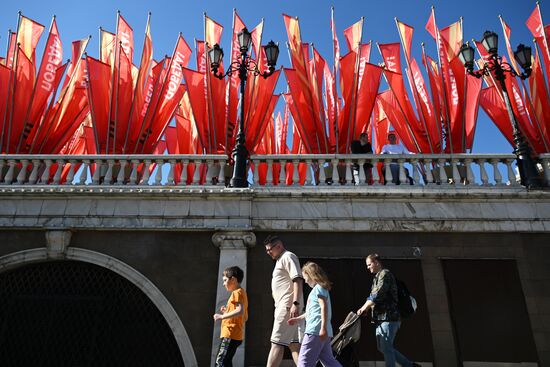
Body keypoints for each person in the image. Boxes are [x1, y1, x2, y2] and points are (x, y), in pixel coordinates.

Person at [357, 254, 420, 367]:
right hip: (381, 318)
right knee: (383, 347)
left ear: (377, 262)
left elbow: (377, 295)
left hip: (389, 317)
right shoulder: (377, 277)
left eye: (369, 264)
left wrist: (364, 307)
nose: (368, 267)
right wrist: (367, 308)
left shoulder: (385, 274)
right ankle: (409, 365)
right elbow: (374, 296)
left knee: (386, 347)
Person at [288, 262, 342, 367]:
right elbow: (312, 312)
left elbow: (323, 307)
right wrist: (297, 319)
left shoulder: (318, 289)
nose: (304, 280)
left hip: (315, 330)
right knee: (328, 360)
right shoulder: (320, 289)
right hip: (323, 332)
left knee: (304, 361)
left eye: (305, 277)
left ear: (310, 275)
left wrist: (322, 328)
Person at [264, 235, 304, 367]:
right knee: (294, 346)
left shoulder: (288, 256)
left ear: (279, 246)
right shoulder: (281, 259)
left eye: (270, 249)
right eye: (267, 250)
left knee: (276, 343)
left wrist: (295, 303)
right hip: (287, 307)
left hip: (287, 306)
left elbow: (297, 279)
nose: (268, 252)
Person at [213, 266, 249, 367]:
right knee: (227, 362)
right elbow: (244, 316)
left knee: (220, 362)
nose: (223, 284)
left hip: (230, 333)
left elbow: (240, 311)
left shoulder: (237, 293)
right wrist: (227, 310)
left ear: (233, 279)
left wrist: (221, 316)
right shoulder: (242, 293)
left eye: (225, 280)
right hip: (236, 335)